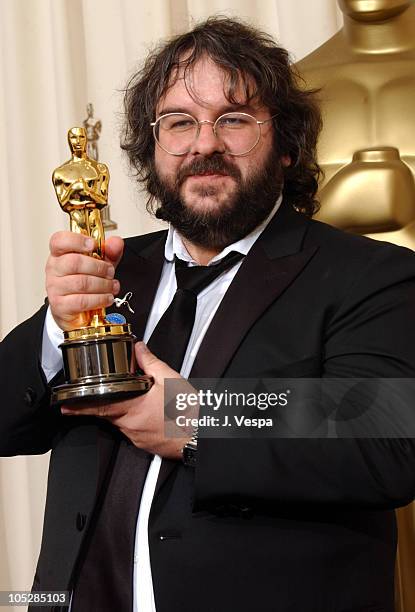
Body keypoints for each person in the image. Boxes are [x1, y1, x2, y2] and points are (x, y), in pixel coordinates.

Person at [1, 16, 415, 612]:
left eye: (235, 119)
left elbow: (386, 441)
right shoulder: (110, 270)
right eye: (179, 123)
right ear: (153, 148)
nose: (204, 144)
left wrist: (192, 416)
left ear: (287, 144)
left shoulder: (368, 274)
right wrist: (55, 328)